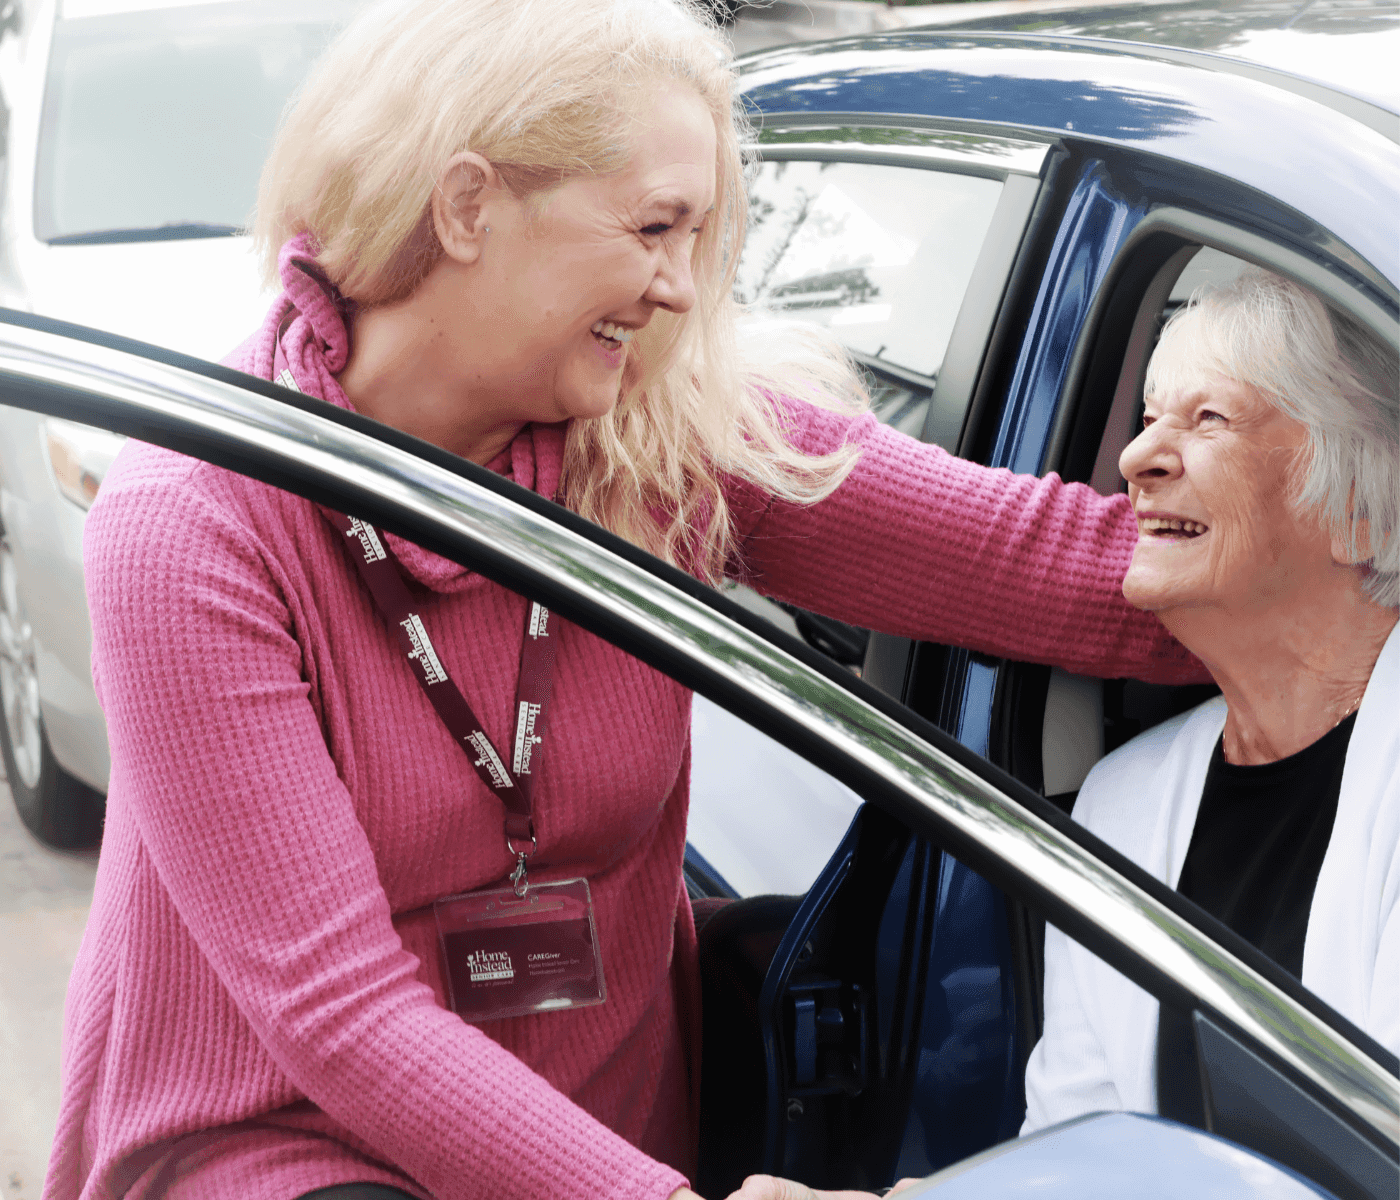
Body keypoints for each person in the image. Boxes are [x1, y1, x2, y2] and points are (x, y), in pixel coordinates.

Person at [48, 2, 1204, 1198]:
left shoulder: (658, 439)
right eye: (655, 228)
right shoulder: (197, 522)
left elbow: (1047, 566)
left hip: (607, 1144)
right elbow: (335, 1009)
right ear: (464, 206)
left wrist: (1326, 581)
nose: (680, 290)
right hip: (288, 1145)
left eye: (700, 238)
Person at [1022, 267, 1398, 1134]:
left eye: (1208, 419)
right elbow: (1076, 1156)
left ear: (1361, 508)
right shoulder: (1123, 800)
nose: (1135, 459)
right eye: (1151, 416)